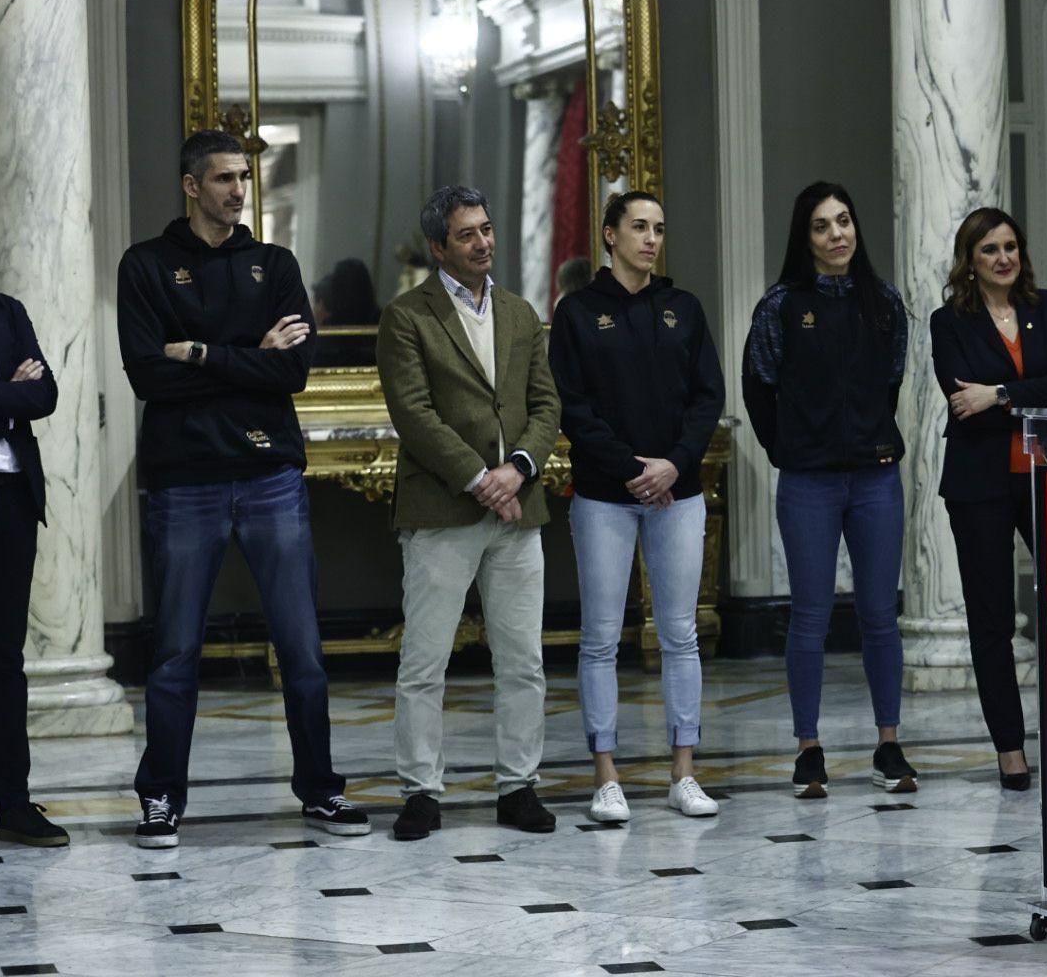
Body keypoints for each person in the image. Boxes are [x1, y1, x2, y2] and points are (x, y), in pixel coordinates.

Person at [118, 130, 369, 847]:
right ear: (191, 185)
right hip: (184, 480)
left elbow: (293, 374)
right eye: (223, 178)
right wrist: (248, 357)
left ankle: (320, 791)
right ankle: (161, 797)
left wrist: (198, 351)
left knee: (302, 648)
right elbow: (146, 375)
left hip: (270, 477)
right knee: (173, 654)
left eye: (243, 178)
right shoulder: (146, 266)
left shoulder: (274, 264)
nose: (237, 190)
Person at [376, 184, 560, 842]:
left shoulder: (519, 312)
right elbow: (414, 415)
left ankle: (518, 785)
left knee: (523, 660)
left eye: (486, 229)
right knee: (425, 663)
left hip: (518, 511)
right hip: (442, 511)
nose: (483, 242)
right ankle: (421, 791)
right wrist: (483, 479)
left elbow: (546, 406)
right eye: (466, 235)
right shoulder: (406, 317)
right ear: (438, 247)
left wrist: (519, 471)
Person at [549, 191, 725, 822]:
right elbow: (573, 407)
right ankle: (606, 777)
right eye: (639, 228)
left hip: (677, 491)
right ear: (609, 236)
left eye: (659, 228)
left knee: (680, 635)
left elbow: (708, 397)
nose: (651, 239)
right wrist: (631, 469)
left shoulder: (684, 308)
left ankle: (684, 773)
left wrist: (674, 463)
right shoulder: (577, 313)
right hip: (604, 495)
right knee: (599, 638)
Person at [743, 181, 916, 798]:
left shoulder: (885, 302)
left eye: (844, 221)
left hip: (875, 476)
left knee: (879, 615)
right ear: (805, 237)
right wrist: (790, 448)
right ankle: (808, 749)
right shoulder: (782, 305)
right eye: (822, 226)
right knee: (810, 616)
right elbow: (759, 388)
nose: (837, 234)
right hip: (808, 481)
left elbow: (891, 380)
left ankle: (889, 744)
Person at [928, 207, 1047, 790]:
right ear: (971, 259)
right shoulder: (950, 323)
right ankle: (1010, 747)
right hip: (980, 483)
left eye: (1011, 247)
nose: (1003, 258)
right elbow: (959, 399)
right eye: (990, 248)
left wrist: (997, 393)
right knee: (990, 616)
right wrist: (1034, 387)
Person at [0, 196, 68, 847]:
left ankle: (14, 805)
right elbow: (20, 395)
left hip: (8, 498)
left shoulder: (6, 313)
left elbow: (46, 393)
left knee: (5, 662)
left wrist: (4, 399)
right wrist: (7, 398)